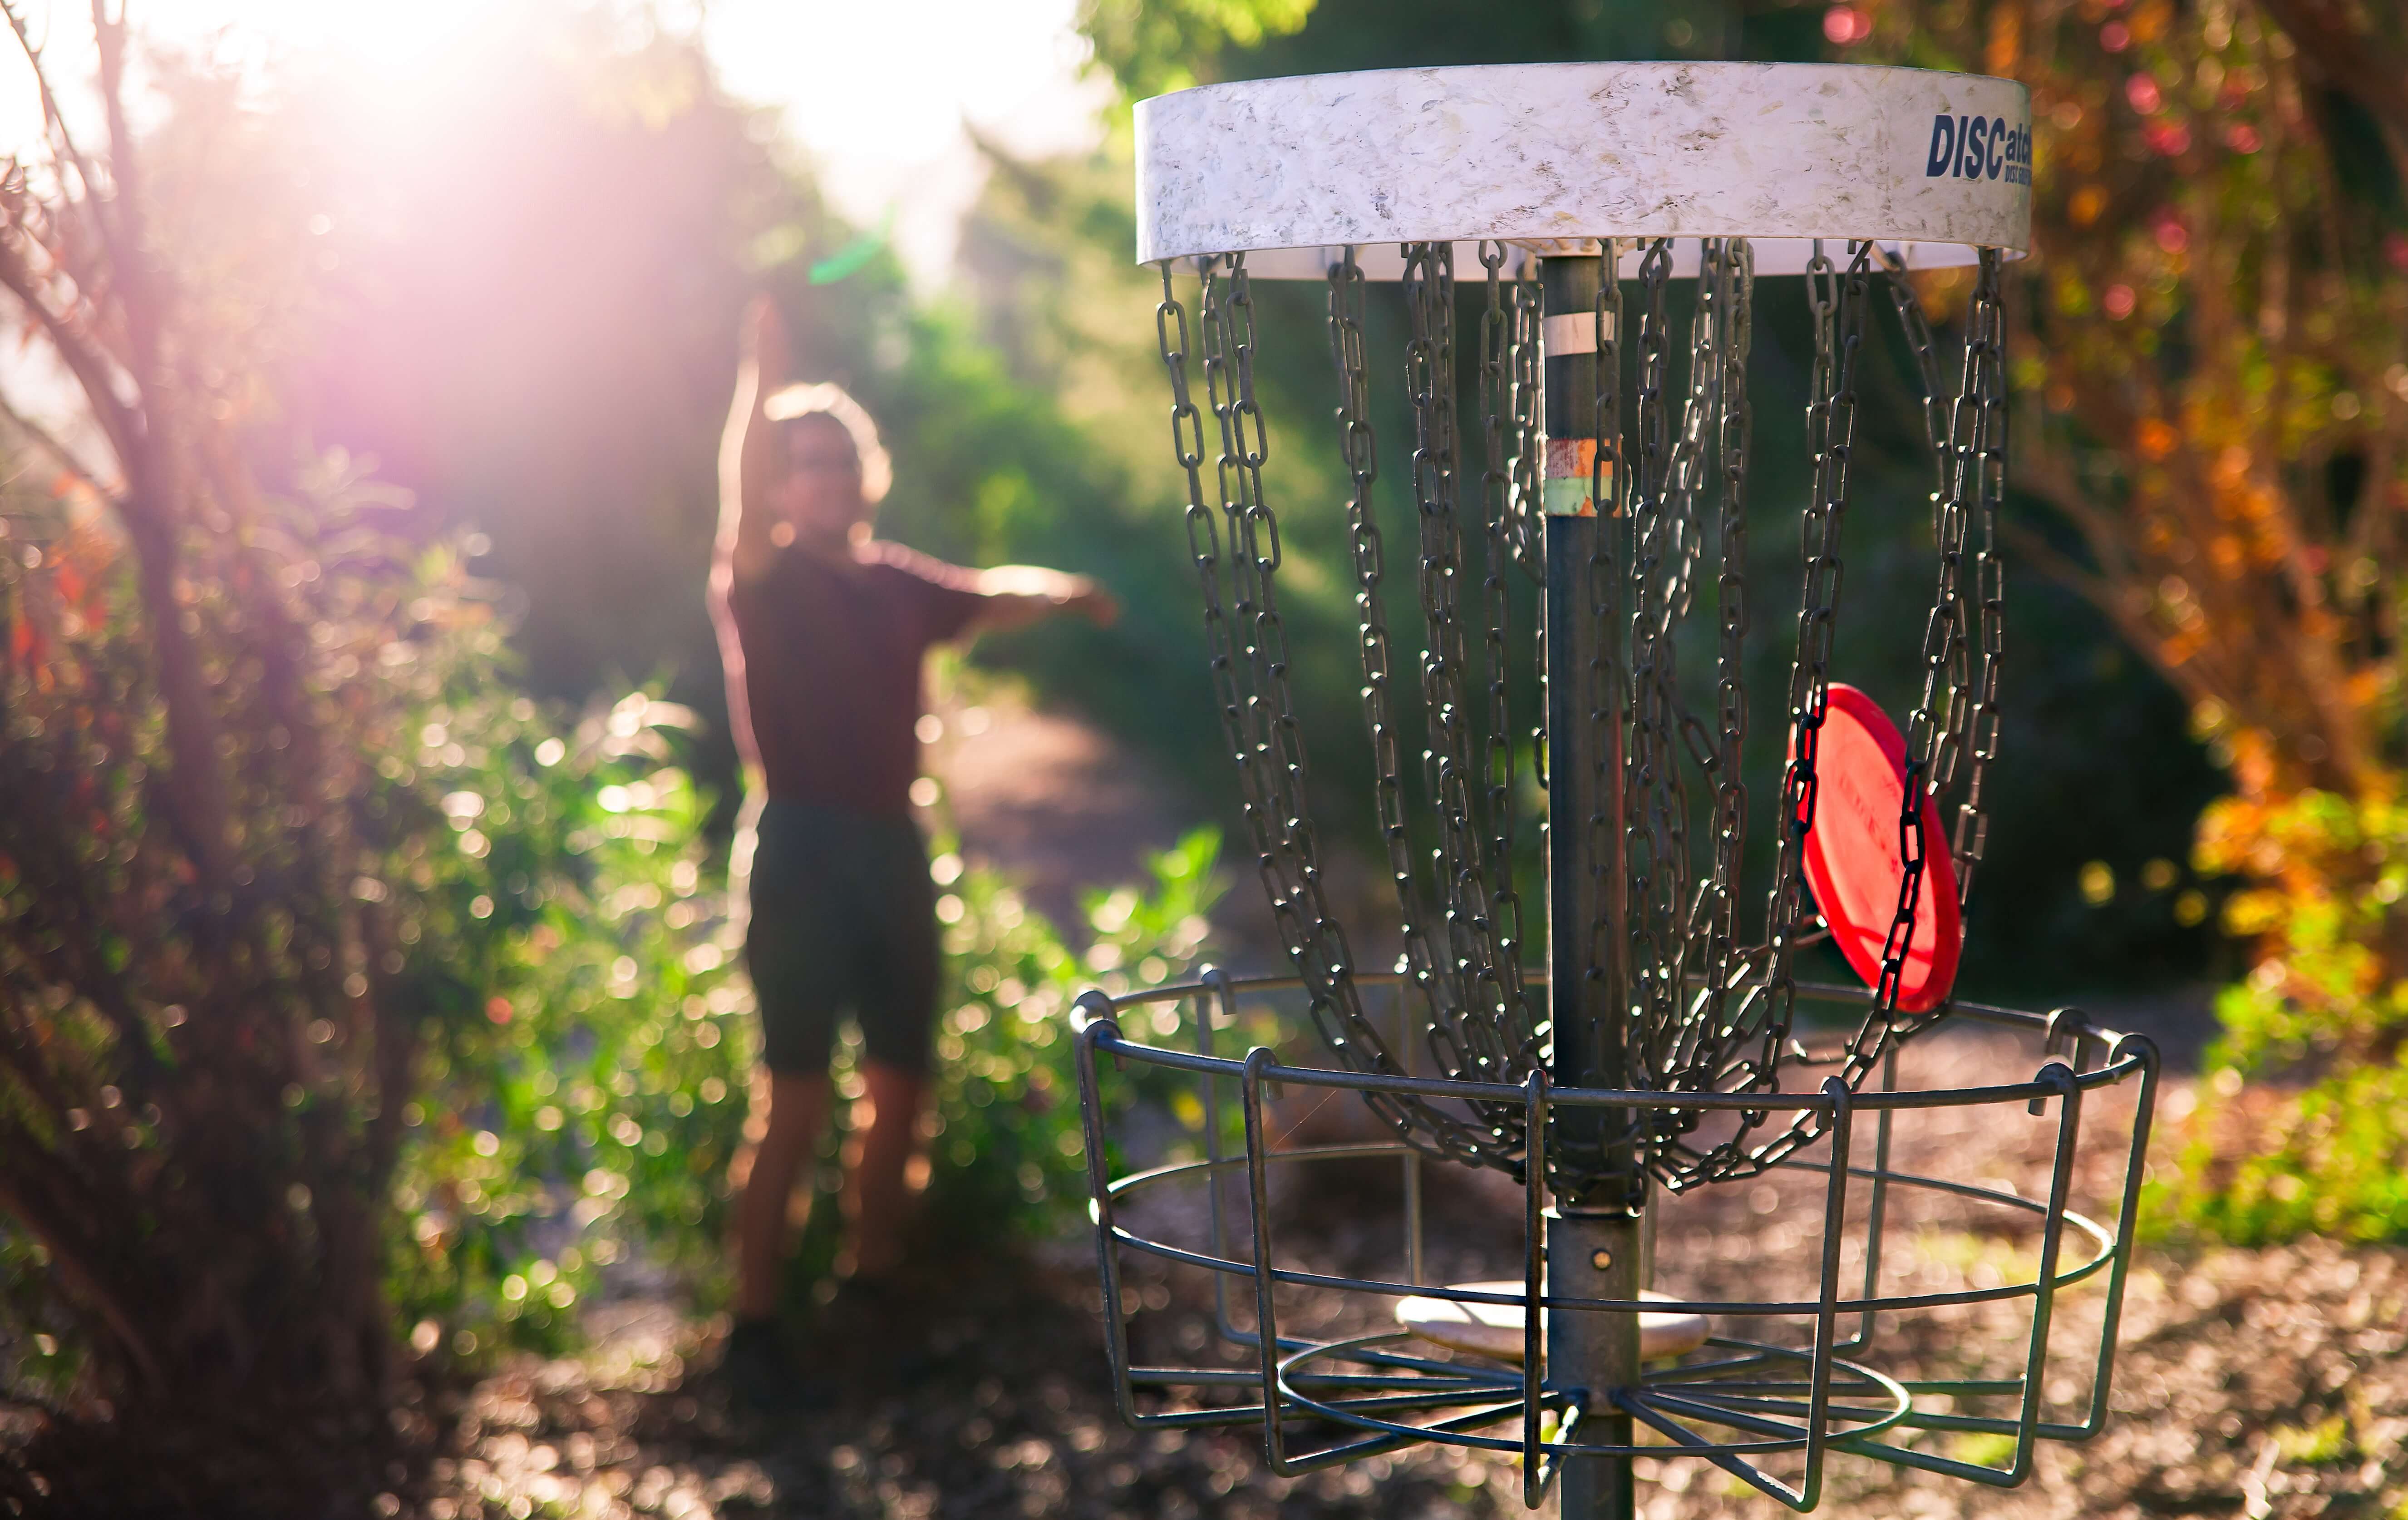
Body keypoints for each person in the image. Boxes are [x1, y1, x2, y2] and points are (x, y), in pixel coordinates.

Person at [709, 297, 1115, 1409]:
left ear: (864, 473)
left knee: (900, 1085)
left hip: (893, 852)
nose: (823, 477)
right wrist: (764, 370)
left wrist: (1070, 594)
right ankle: (754, 1326)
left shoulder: (895, 585)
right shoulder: (760, 577)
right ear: (780, 483)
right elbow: (736, 488)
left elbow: (989, 597)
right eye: (803, 462)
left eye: (838, 458)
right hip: (797, 851)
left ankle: (872, 1285)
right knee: (792, 1097)